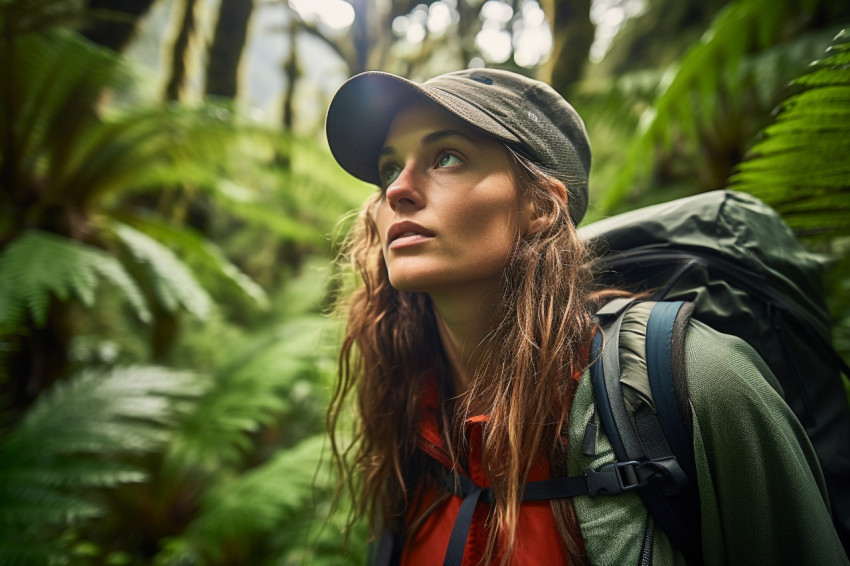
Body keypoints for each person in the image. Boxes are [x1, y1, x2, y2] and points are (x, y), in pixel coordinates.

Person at [324, 68, 848, 566]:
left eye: (447, 158)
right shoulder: (408, 412)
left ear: (541, 209)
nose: (395, 190)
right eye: (390, 167)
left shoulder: (698, 384)